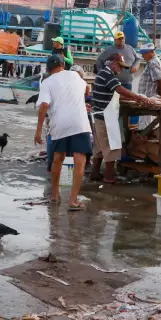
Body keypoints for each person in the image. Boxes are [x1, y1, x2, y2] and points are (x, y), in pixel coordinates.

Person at [34, 54, 92, 210]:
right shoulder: (74, 75)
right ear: (63, 65)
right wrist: (85, 94)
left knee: (58, 158)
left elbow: (44, 105)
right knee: (80, 159)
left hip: (59, 124)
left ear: (48, 69)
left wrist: (38, 131)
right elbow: (87, 87)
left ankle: (54, 194)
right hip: (79, 123)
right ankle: (73, 201)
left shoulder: (46, 82)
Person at [89, 53, 151, 183]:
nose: (121, 70)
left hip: (100, 115)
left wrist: (134, 97)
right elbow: (120, 90)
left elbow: (114, 95)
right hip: (105, 115)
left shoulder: (103, 73)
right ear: (113, 63)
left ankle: (95, 173)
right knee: (111, 146)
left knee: (100, 147)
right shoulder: (107, 74)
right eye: (120, 66)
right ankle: (109, 176)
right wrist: (138, 97)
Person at [137, 43, 161, 130]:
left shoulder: (153, 63)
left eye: (144, 54)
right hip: (147, 99)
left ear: (151, 52)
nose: (143, 56)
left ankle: (145, 141)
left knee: (146, 126)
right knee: (147, 124)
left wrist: (157, 96)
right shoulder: (152, 62)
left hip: (149, 99)